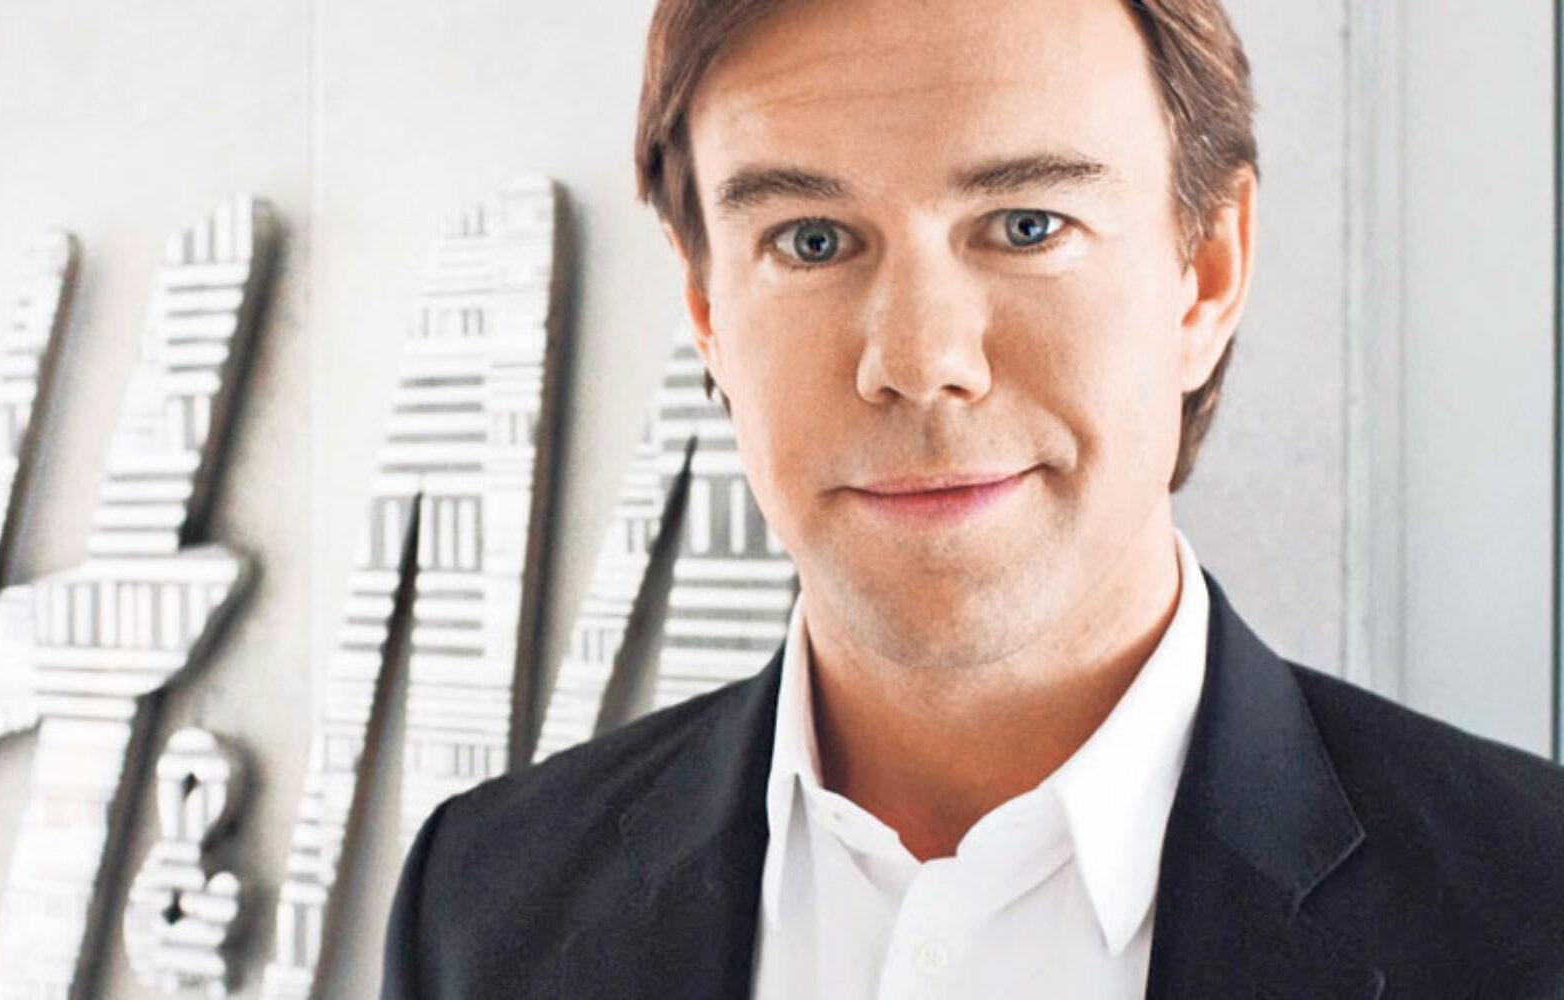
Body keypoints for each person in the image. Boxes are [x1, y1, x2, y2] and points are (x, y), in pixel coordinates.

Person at [383, 0, 1564, 996]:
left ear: (1206, 273)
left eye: (1025, 226)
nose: (917, 359)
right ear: (706, 311)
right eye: (809, 240)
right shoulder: (482, 902)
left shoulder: (1531, 906)